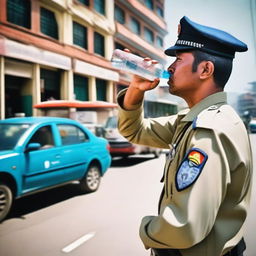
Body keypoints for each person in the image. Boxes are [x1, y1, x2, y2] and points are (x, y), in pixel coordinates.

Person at [117, 16, 253, 256]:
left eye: (178, 60)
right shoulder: (193, 119)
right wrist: (136, 89)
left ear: (205, 70)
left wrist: (146, 229)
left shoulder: (210, 129)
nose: (169, 68)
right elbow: (134, 130)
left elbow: (183, 227)